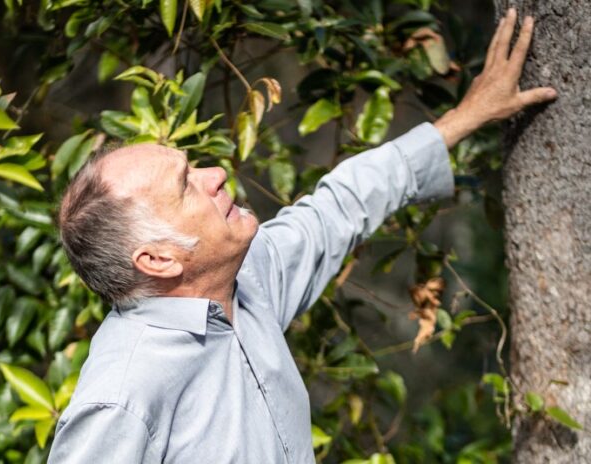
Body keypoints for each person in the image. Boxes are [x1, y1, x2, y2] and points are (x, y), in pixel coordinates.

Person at [48, 9, 556, 463]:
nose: (216, 175)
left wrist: (466, 116)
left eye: (193, 166)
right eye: (186, 186)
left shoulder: (247, 282)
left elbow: (340, 206)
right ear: (158, 260)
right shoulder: (121, 397)